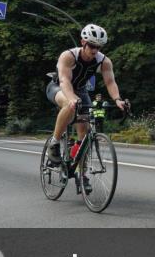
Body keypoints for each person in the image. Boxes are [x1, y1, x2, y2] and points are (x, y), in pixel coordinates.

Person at [46, 24, 128, 176]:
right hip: (58, 87)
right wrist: (71, 98)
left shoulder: (104, 61)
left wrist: (117, 99)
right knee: (69, 105)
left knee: (84, 135)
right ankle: (54, 143)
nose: (95, 50)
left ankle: (80, 172)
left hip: (81, 91)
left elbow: (110, 82)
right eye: (91, 45)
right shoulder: (69, 56)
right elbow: (64, 80)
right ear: (83, 42)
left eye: (98, 47)